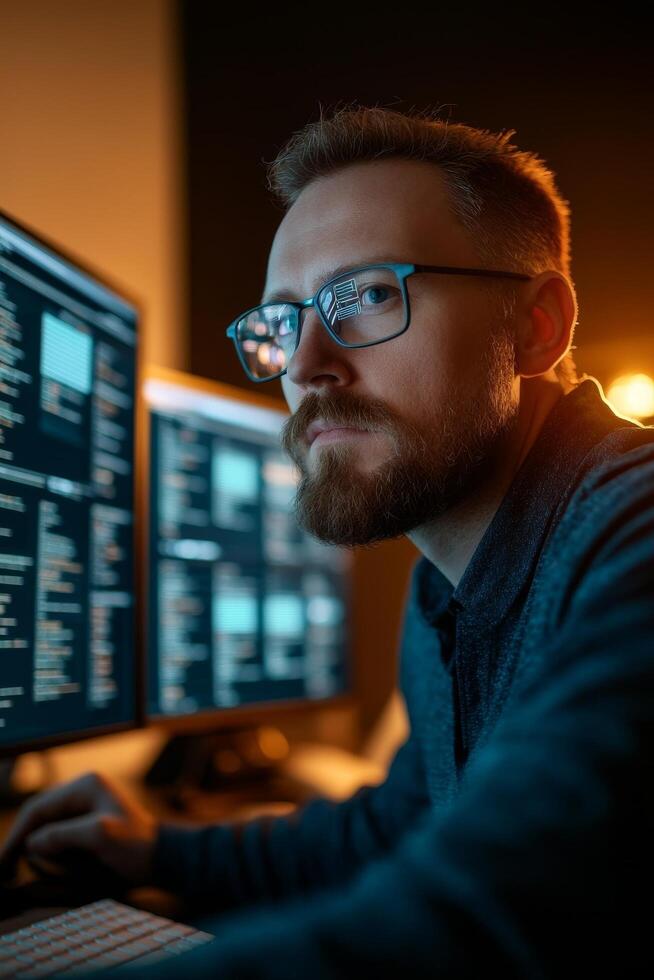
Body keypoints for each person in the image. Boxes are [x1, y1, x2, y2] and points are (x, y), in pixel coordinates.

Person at [2, 106, 654, 978]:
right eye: (280, 324)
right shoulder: (451, 586)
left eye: (369, 295)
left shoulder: (631, 541)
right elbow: (397, 831)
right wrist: (159, 854)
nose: (307, 364)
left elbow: (493, 918)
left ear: (536, 327)